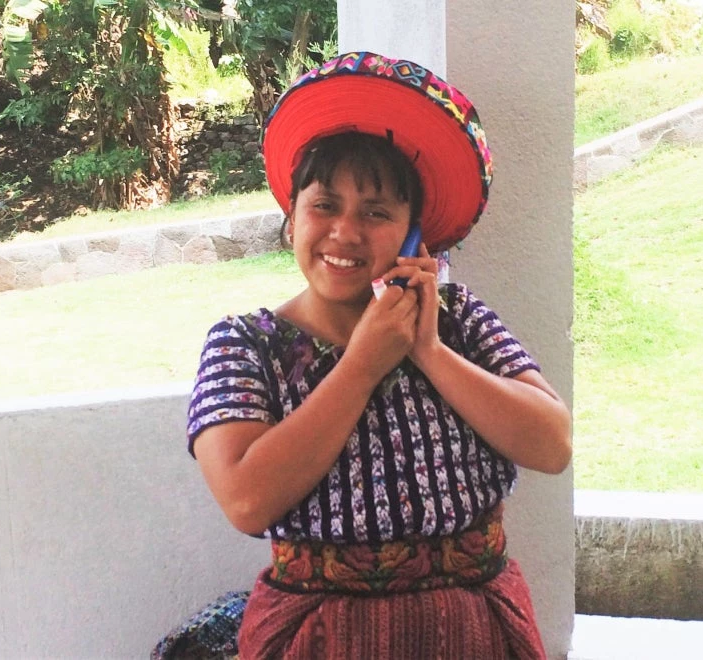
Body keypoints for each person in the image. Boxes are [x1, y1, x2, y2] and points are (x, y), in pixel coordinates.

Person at [181, 51, 571, 659]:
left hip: (477, 633)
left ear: (417, 234)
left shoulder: (458, 318)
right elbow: (246, 500)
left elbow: (552, 444)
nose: (345, 232)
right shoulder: (244, 344)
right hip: (319, 639)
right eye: (324, 206)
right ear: (292, 219)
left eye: (377, 213)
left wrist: (430, 350)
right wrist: (361, 365)